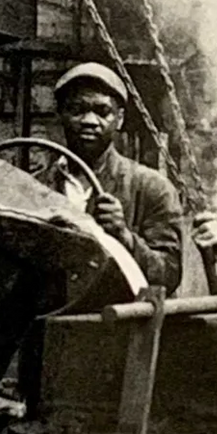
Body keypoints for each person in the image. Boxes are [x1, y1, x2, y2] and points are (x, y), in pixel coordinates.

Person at [49, 61, 184, 296]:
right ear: (60, 114)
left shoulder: (152, 188)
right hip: (50, 325)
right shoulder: (37, 186)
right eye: (77, 109)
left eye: (103, 112)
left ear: (119, 119)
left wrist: (124, 237)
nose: (89, 120)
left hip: (118, 325)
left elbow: (169, 275)